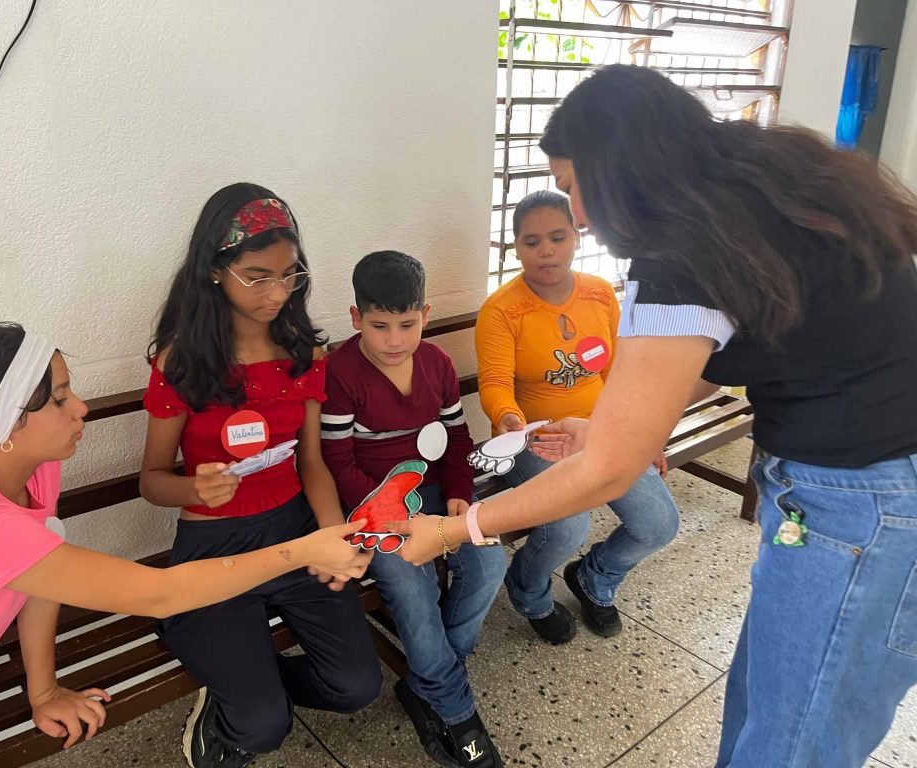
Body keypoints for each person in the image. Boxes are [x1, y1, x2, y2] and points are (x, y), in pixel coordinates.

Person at [392, 64, 917, 768]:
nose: (578, 217)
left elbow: (608, 468)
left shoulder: (678, 251)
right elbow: (704, 361)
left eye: (574, 188)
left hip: (864, 504)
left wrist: (455, 529)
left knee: (793, 740)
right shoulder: (753, 193)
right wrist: (618, 425)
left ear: (616, 167)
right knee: (771, 706)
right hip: (864, 492)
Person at [0, 323, 372, 768]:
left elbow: (40, 574)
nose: (80, 407)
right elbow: (160, 594)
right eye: (60, 398)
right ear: (5, 425)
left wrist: (44, 692)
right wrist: (303, 551)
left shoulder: (28, 466)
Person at [139, 183, 382, 768]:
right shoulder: (183, 362)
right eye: (257, 277)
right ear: (214, 270)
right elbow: (151, 480)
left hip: (295, 529)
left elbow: (311, 463)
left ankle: (246, 684)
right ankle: (244, 695)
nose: (277, 293)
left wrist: (336, 536)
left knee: (357, 686)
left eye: (289, 275)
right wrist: (194, 488)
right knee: (263, 728)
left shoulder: (304, 355)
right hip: (213, 546)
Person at [321, 251, 507, 768]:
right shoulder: (340, 373)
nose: (395, 340)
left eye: (407, 325)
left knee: (490, 562)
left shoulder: (437, 364)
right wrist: (394, 517)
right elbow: (338, 462)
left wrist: (460, 492)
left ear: (424, 314)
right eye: (379, 326)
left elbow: (456, 437)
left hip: (435, 493)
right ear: (356, 319)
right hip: (372, 506)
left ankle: (432, 678)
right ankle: (455, 708)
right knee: (413, 587)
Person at [476, 190, 678, 643]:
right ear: (516, 248)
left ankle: (594, 576)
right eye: (531, 242)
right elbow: (495, 383)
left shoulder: (599, 294)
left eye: (557, 237)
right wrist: (507, 417)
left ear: (576, 237)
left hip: (604, 432)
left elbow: (618, 371)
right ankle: (528, 591)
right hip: (537, 439)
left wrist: (643, 436)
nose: (546, 250)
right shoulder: (502, 310)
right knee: (568, 523)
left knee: (659, 524)